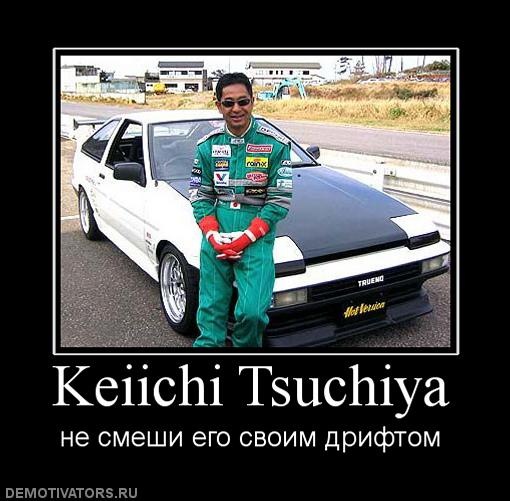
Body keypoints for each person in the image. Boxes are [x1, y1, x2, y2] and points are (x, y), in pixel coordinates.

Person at [189, 72, 292, 348]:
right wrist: (212, 235)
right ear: (218, 105)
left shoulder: (276, 145)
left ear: (252, 101)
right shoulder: (207, 146)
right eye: (228, 103)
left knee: (252, 313)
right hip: (217, 229)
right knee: (210, 313)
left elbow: (279, 201)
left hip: (256, 233)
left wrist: (246, 237)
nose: (236, 109)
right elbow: (199, 195)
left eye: (243, 101)